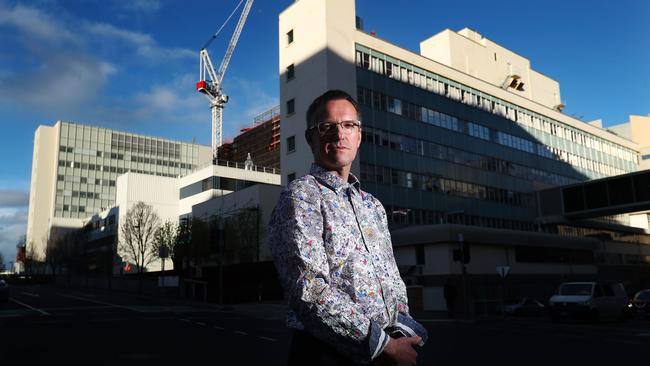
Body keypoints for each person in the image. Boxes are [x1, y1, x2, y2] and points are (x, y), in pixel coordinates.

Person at [267, 90, 428, 366]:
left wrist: (400, 335)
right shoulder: (302, 196)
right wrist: (384, 345)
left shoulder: (373, 206)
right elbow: (309, 290)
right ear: (310, 137)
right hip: (327, 354)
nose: (339, 134)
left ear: (359, 135)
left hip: (386, 353)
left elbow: (392, 280)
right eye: (327, 126)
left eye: (348, 125)